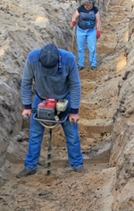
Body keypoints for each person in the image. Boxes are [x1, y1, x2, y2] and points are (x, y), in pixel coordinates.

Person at [16, 43, 87, 178]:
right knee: (35, 134)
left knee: (72, 134)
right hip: (41, 98)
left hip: (63, 98)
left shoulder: (69, 60)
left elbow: (75, 85)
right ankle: (30, 166)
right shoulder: (32, 58)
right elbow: (26, 82)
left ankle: (77, 164)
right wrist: (27, 107)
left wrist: (74, 111)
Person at [71, 0, 101, 70]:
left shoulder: (95, 9)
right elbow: (74, 16)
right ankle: (80, 64)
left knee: (92, 48)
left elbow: (98, 21)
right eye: (86, 5)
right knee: (80, 48)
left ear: (92, 3)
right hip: (81, 31)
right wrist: (73, 21)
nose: (87, 6)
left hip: (91, 31)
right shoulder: (80, 8)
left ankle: (93, 64)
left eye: (89, 5)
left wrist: (98, 30)